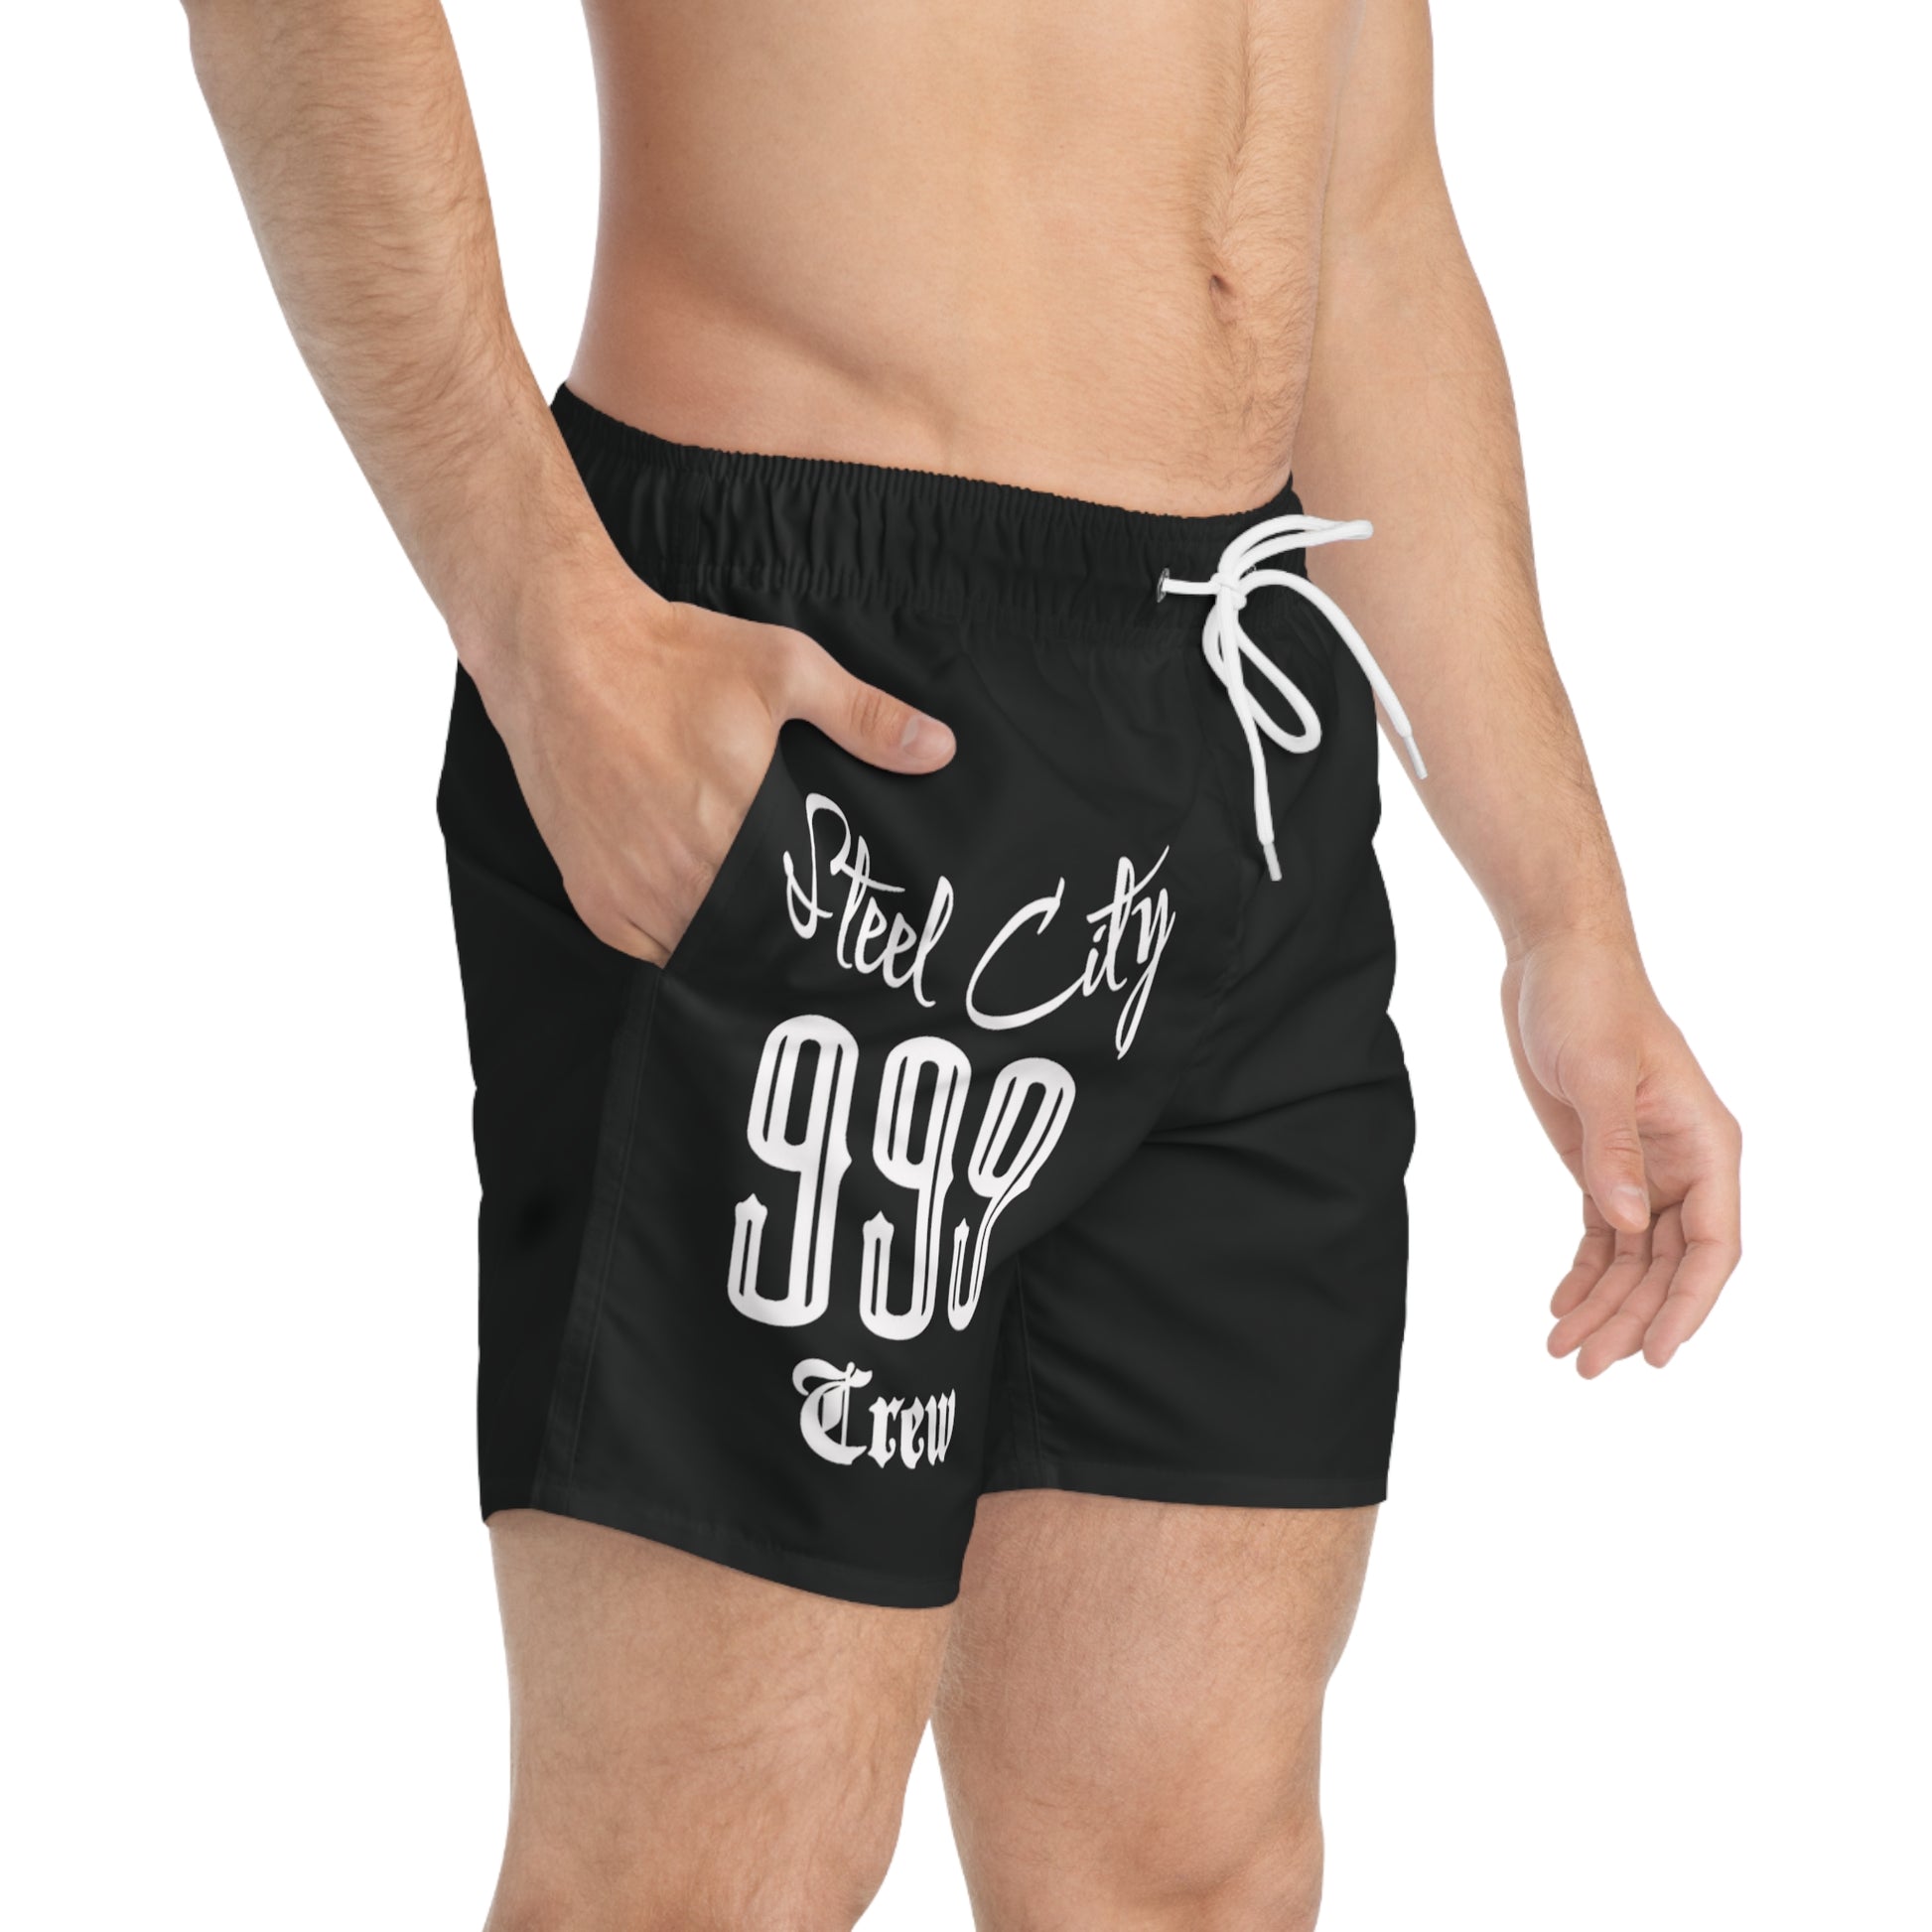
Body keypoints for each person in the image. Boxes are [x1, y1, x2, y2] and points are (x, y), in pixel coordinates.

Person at [184, 1, 1742, 1925]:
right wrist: (538, 615)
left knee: (1187, 1872)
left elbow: (1360, 216)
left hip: (1238, 736)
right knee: (705, 1879)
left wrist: (1564, 913)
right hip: (815, 691)